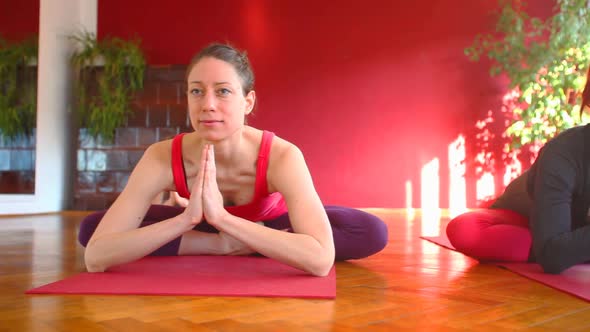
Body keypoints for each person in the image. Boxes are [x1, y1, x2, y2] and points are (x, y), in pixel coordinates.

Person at [79, 43, 388, 277]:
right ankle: (229, 246)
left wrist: (225, 219)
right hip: (199, 228)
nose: (208, 105)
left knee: (370, 230)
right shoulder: (161, 156)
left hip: (269, 224)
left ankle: (248, 240)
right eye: (196, 91)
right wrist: (187, 220)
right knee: (92, 229)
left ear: (247, 101)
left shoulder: (282, 155)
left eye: (223, 91)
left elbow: (321, 261)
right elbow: (96, 256)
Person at [446, 67, 590, 274]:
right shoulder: (563, 152)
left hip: (573, 230)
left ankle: (573, 247)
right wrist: (559, 248)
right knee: (466, 230)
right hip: (524, 218)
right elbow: (551, 256)